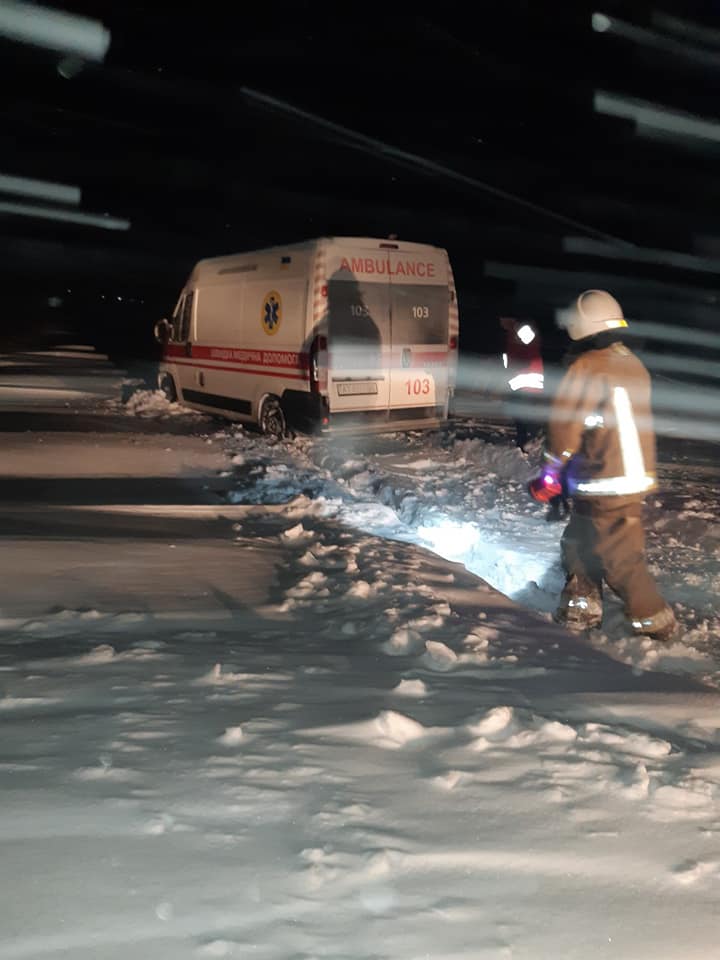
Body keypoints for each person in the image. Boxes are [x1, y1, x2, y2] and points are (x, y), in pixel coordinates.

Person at [528, 289, 677, 640]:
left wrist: (550, 474)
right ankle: (581, 607)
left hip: (605, 481)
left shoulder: (586, 367)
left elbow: (565, 426)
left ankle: (656, 623)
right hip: (617, 477)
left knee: (620, 559)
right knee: (578, 542)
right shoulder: (631, 363)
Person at [499, 317, 545, 451]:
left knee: (524, 416)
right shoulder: (513, 333)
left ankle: (528, 444)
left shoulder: (522, 331)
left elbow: (529, 353)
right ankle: (524, 443)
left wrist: (517, 369)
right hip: (519, 381)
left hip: (526, 382)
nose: (500, 322)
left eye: (502, 319)